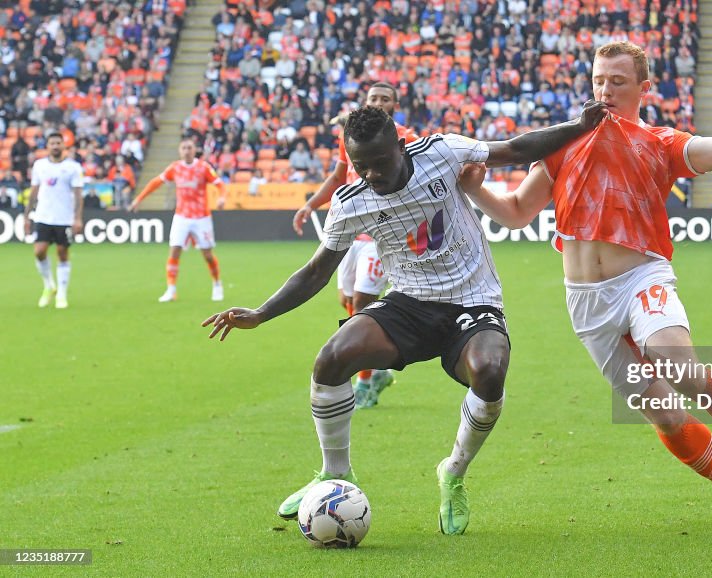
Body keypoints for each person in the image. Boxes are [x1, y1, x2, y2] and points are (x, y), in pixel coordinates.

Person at [203, 102, 608, 533]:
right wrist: (262, 313)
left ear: (401, 145)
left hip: (473, 300)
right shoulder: (350, 202)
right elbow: (317, 271)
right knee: (331, 358)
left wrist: (579, 126)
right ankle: (335, 473)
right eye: (361, 166)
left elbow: (512, 148)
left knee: (489, 373)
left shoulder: (442, 152)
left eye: (380, 162)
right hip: (409, 303)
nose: (372, 175)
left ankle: (453, 472)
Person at [460, 41, 712, 524]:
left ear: (644, 88)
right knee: (663, 414)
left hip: (641, 279)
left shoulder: (662, 142)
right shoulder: (562, 143)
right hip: (586, 303)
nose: (605, 89)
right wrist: (476, 187)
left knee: (680, 366)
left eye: (618, 81)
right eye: (599, 79)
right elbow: (518, 212)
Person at [293, 83, 420, 408]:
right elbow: (338, 176)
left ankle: (362, 383)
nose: (378, 102)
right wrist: (311, 205)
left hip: (382, 232)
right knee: (347, 301)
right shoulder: (349, 135)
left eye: (385, 99)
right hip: (349, 231)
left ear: (395, 104)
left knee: (364, 301)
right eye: (373, 98)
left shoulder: (408, 137)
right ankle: (376, 372)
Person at [129, 139, 226, 303]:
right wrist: (139, 199)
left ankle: (217, 284)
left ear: (195, 150)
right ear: (180, 151)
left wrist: (222, 198)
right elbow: (155, 183)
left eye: (189, 147)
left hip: (201, 216)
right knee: (174, 251)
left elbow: (220, 184)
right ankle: (171, 290)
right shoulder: (175, 168)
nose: (187, 151)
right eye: (184, 148)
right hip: (181, 216)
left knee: (208, 255)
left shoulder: (203, 167)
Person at [23, 132, 84, 309]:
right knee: (39, 252)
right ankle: (49, 285)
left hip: (64, 218)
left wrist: (78, 218)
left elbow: (79, 195)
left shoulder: (73, 167)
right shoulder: (40, 166)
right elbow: (34, 191)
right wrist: (27, 215)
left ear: (64, 146)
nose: (55, 146)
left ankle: (62, 295)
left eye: (58, 143)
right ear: (47, 146)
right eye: (52, 143)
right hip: (43, 216)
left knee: (62, 253)